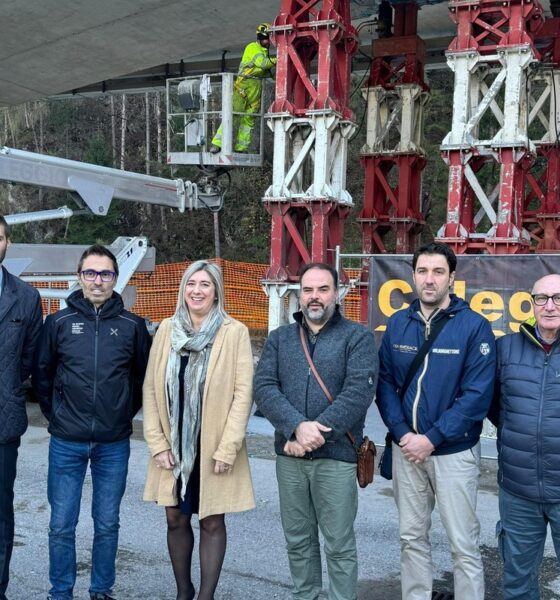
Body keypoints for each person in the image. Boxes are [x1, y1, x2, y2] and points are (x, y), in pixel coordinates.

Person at [376, 242, 496, 600]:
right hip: (406, 451)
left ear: (452, 277)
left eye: (438, 272)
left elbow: (477, 397)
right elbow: (384, 384)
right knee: (411, 538)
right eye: (423, 271)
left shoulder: (474, 327)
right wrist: (401, 434)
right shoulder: (398, 323)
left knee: (464, 545)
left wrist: (431, 438)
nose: (430, 280)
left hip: (453, 454)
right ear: (413, 276)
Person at [33, 244, 151, 600]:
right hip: (66, 441)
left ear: (115, 279)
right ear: (80, 277)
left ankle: (101, 590)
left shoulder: (133, 326)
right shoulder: (57, 323)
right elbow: (43, 375)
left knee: (107, 523)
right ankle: (61, 592)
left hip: (112, 444)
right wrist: (59, 415)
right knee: (61, 525)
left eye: (106, 274)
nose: (98, 281)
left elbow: (141, 379)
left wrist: (119, 414)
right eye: (91, 273)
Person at [254, 262, 378, 600]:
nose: (314, 297)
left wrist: (316, 434)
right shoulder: (280, 338)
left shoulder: (358, 337)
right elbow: (264, 387)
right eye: (308, 290)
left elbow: (357, 393)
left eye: (323, 289)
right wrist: (295, 428)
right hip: (290, 457)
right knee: (298, 540)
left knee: (338, 543)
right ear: (299, 295)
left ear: (336, 294)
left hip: (336, 458)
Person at [142, 260, 255, 600]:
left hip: (212, 446)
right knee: (175, 519)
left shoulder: (234, 332)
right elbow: (150, 387)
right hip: (172, 446)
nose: (197, 290)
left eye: (205, 284)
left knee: (210, 521)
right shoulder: (165, 330)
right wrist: (157, 443)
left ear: (216, 290)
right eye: (192, 283)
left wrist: (228, 448)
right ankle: (183, 591)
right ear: (183, 289)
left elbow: (242, 394)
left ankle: (206, 595)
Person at [489, 274, 560, 599]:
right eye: (541, 298)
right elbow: (492, 405)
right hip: (518, 489)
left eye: (558, 298)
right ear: (531, 304)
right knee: (517, 583)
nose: (549, 305)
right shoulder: (505, 348)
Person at [0, 215, 43, 600]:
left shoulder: (27, 298)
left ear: (7, 242)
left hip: (3, 422)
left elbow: (30, 359)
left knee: (1, 514)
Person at [210, 23, 276, 154]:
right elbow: (263, 64)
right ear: (260, 37)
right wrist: (280, 58)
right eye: (266, 38)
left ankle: (241, 148)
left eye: (269, 38)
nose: (268, 41)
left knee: (249, 121)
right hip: (243, 88)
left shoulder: (265, 52)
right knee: (232, 116)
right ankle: (217, 144)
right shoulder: (252, 48)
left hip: (255, 91)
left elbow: (268, 72)